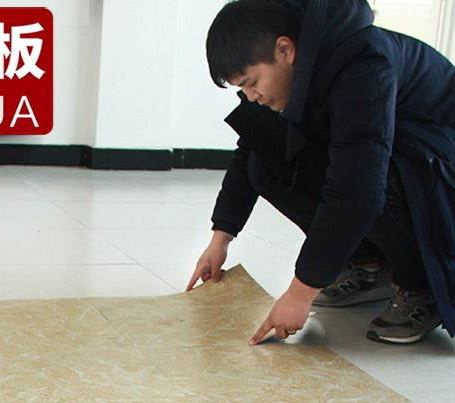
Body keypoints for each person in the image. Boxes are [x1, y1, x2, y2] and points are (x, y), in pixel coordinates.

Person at [186, 0, 455, 345]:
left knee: (371, 180)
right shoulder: (294, 68)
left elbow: (358, 189)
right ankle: (368, 265)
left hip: (438, 174)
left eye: (252, 83)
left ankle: (422, 286)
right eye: (242, 89)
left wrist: (300, 294)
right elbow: (254, 145)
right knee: (265, 165)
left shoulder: (363, 61)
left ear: (285, 50)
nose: (251, 96)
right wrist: (220, 238)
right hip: (403, 159)